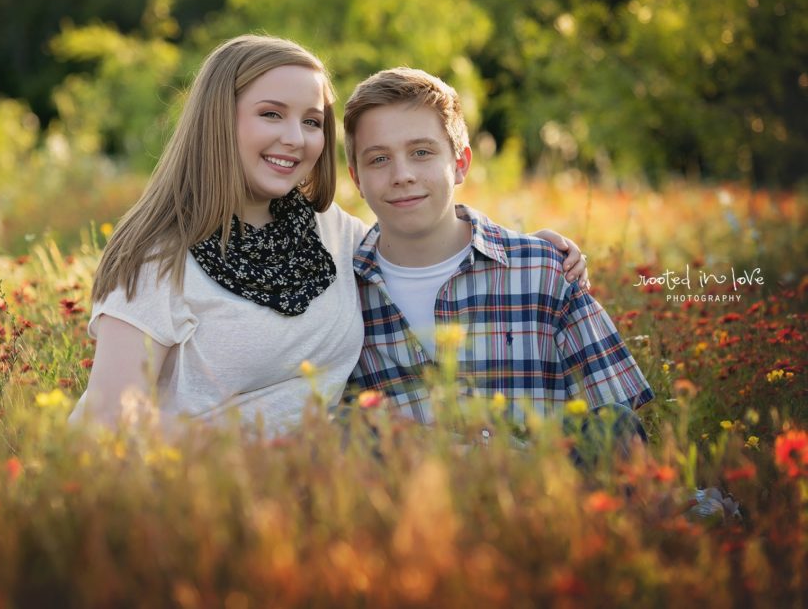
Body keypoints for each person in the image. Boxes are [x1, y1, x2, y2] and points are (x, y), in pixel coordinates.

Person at [69, 36, 588, 432]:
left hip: (323, 496)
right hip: (196, 496)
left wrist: (529, 247)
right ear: (217, 120)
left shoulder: (335, 234)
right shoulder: (159, 255)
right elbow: (109, 427)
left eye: (312, 121)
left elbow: (423, 231)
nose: (295, 139)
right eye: (271, 114)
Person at [342, 67, 653, 431]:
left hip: (544, 479)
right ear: (356, 178)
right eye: (379, 159)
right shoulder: (343, 293)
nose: (402, 174)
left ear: (460, 164)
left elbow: (619, 420)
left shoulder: (542, 272)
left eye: (422, 152)